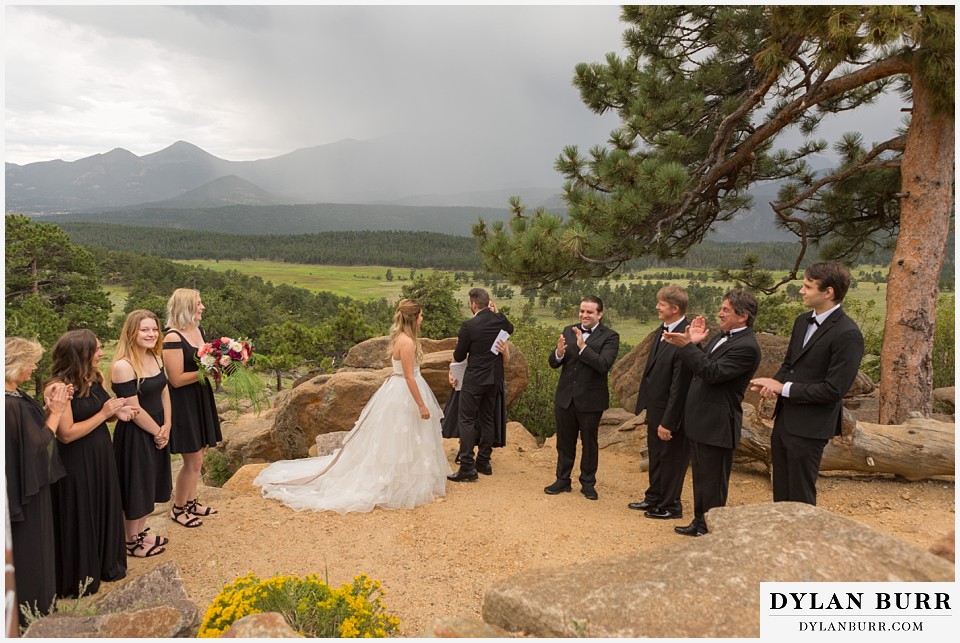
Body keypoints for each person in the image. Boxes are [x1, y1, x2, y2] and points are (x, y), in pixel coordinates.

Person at [254, 299, 450, 512]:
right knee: (404, 434)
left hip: (396, 389)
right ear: (413, 318)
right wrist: (421, 405)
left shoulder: (400, 338)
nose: (423, 319)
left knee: (400, 436)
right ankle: (399, 481)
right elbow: (410, 377)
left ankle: (402, 476)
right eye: (420, 315)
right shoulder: (408, 342)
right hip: (405, 391)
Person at [750, 262, 864, 506]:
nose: (801, 291)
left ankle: (803, 543)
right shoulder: (802, 321)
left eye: (807, 286)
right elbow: (790, 364)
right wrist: (774, 383)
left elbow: (834, 390)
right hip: (785, 420)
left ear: (828, 292)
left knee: (801, 494)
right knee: (781, 489)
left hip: (812, 426)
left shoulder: (848, 334)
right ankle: (783, 541)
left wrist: (785, 389)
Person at [662, 290, 761, 536]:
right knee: (701, 477)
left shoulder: (747, 347)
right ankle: (700, 522)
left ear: (743, 316)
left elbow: (712, 372)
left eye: (726, 310)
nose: (719, 313)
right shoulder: (722, 336)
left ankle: (712, 529)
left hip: (717, 424)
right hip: (701, 421)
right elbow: (704, 363)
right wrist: (696, 344)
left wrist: (687, 346)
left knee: (713, 482)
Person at [46, 329, 136, 597]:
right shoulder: (58, 387)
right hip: (75, 461)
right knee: (82, 511)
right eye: (96, 349)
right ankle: (81, 577)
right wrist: (106, 413)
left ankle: (107, 564)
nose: (101, 353)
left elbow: (105, 412)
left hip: (100, 454)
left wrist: (120, 412)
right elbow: (66, 433)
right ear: (81, 353)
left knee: (103, 505)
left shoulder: (94, 377)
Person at [5, 338, 68, 624]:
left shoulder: (14, 393)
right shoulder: (9, 404)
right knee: (32, 548)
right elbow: (40, 442)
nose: (34, 367)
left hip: (28, 483)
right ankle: (36, 613)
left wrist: (48, 409)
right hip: (25, 489)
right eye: (30, 362)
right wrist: (56, 411)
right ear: (14, 364)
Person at [544, 295, 620, 500]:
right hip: (566, 397)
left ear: (600, 314)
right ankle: (562, 480)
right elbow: (554, 362)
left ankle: (588, 483)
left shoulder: (611, 336)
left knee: (589, 442)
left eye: (589, 312)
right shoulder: (569, 329)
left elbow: (603, 365)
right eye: (582, 311)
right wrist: (558, 353)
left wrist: (583, 347)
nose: (584, 315)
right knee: (564, 442)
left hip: (591, 400)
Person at [110, 310, 173, 557]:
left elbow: (164, 392)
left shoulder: (155, 357)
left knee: (150, 482)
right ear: (131, 332)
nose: (151, 334)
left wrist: (167, 425)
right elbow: (133, 407)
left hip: (158, 427)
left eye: (155, 329)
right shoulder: (123, 366)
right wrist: (158, 431)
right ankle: (130, 541)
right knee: (136, 485)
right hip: (137, 433)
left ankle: (139, 532)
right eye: (145, 329)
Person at [628, 285, 694, 519]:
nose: (657, 307)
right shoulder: (662, 329)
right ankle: (653, 497)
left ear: (675, 309)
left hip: (671, 412)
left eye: (662, 304)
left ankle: (670, 505)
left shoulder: (686, 336)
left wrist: (669, 421)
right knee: (656, 455)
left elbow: (680, 385)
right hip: (655, 408)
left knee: (671, 459)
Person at [163, 288, 222, 528]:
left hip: (199, 395)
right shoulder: (173, 338)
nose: (203, 307)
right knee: (193, 459)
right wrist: (205, 372)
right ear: (187, 306)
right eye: (199, 303)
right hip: (183, 401)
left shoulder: (198, 330)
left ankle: (191, 501)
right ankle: (178, 508)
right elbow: (175, 379)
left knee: (201, 453)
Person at [447, 288, 515, 482]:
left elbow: (459, 355)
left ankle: (467, 465)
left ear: (474, 304)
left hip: (475, 378)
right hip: (494, 377)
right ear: (488, 303)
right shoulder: (500, 319)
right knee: (487, 418)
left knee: (466, 419)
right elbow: (510, 329)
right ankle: (484, 461)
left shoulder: (469, 325)